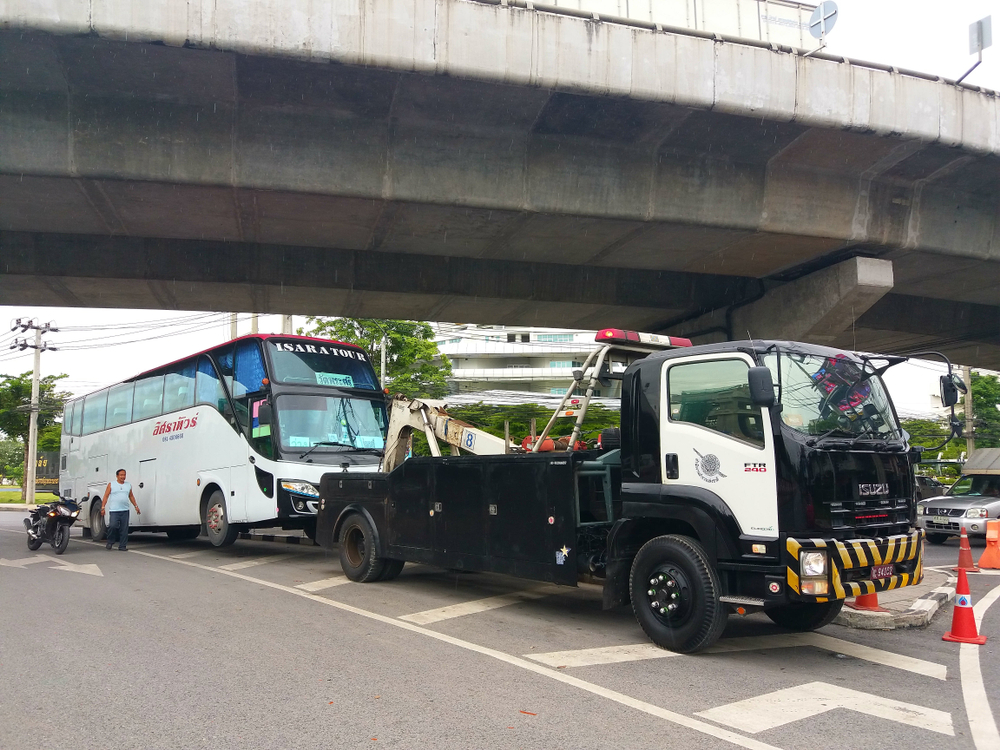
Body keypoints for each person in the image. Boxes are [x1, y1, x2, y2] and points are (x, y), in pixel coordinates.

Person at [100, 469, 140, 551]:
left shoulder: (128, 485)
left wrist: (136, 506)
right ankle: (110, 541)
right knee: (113, 526)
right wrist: (103, 507)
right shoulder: (111, 484)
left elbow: (131, 496)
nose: (123, 477)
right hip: (114, 510)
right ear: (117, 476)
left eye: (124, 475)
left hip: (125, 510)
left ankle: (122, 546)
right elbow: (106, 496)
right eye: (121, 475)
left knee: (124, 529)